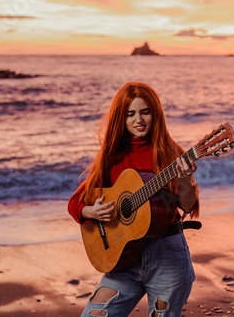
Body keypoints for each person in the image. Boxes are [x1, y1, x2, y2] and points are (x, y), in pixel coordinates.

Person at [68, 82, 199, 317]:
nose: (138, 119)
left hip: (166, 256)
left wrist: (186, 180)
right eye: (130, 114)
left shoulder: (172, 153)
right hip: (122, 258)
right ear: (122, 118)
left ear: (155, 114)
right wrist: (92, 212)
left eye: (145, 111)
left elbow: (188, 206)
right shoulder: (111, 157)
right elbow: (75, 203)